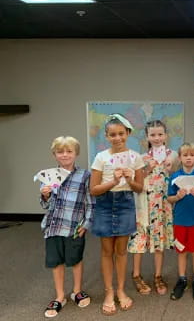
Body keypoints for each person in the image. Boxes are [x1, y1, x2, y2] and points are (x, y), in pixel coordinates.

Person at [90, 114, 144, 315]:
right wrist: (113, 181)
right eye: (113, 134)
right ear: (106, 136)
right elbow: (93, 190)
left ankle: (121, 290)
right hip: (105, 203)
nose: (117, 138)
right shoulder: (101, 157)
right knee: (107, 251)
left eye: (121, 133)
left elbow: (139, 188)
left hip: (125, 203)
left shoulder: (135, 157)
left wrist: (129, 179)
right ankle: (108, 291)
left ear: (128, 133)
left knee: (121, 251)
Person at [40, 136, 94, 318]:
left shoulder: (85, 175)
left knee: (76, 259)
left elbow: (90, 202)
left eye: (69, 151)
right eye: (60, 152)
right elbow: (45, 206)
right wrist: (45, 195)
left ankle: (77, 291)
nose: (65, 155)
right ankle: (60, 296)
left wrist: (86, 224)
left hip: (74, 226)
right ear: (54, 154)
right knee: (56, 262)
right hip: (53, 226)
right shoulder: (47, 176)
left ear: (76, 153)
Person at [128, 120, 179, 296]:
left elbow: (177, 175)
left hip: (163, 205)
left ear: (166, 135)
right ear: (147, 137)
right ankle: (136, 275)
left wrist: (171, 167)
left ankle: (158, 275)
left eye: (160, 134)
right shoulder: (141, 158)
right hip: (144, 204)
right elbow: (136, 182)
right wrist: (145, 170)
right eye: (153, 135)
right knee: (140, 240)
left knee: (159, 241)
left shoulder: (173, 155)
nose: (157, 138)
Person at [167, 142, 194, 301]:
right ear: (180, 157)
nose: (188, 158)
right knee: (181, 251)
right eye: (185, 155)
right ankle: (182, 279)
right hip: (179, 220)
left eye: (192, 155)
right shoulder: (174, 177)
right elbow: (169, 198)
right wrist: (177, 196)